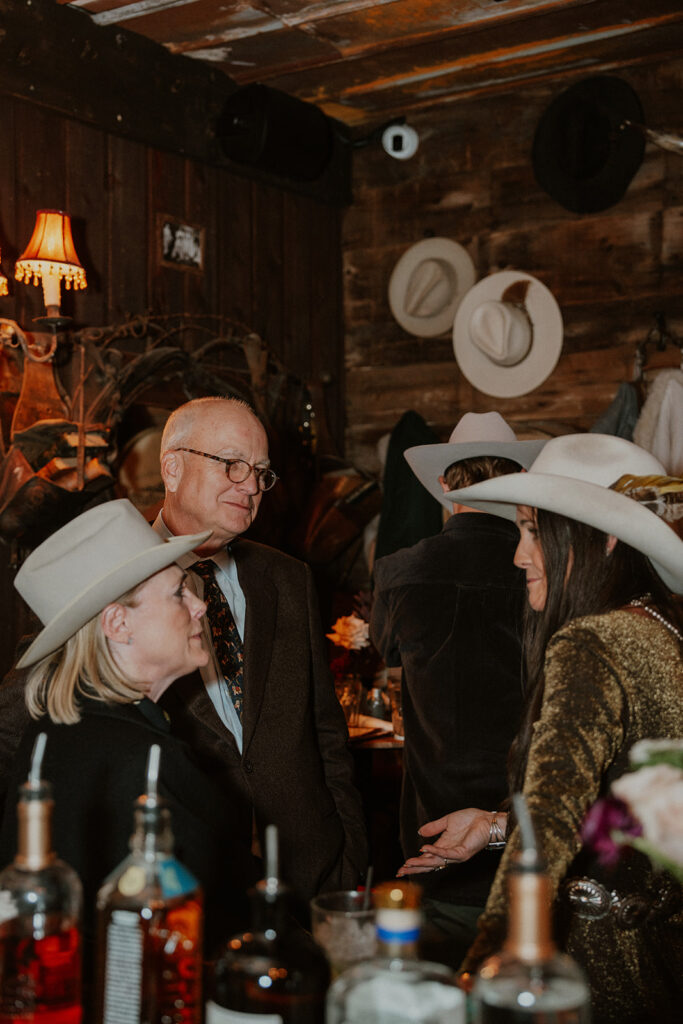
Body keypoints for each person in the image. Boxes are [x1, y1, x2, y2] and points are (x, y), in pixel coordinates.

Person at [398, 434, 683, 1023]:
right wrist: (496, 825)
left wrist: (484, 971)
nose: (518, 555)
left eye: (533, 531)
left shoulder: (594, 640)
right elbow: (618, 808)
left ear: (601, 537)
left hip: (600, 975)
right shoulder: (661, 632)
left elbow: (550, 829)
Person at [0, 499, 259, 988]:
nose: (200, 603)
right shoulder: (146, 758)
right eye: (179, 592)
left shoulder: (51, 734)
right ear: (118, 623)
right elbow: (213, 931)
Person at [154, 396, 367, 909]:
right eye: (231, 464)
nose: (250, 486)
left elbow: (326, 732)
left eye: (260, 473)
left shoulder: (288, 578)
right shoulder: (117, 584)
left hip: (312, 877)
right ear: (173, 467)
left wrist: (350, 857)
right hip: (191, 886)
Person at [370, 412, 544, 961]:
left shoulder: (399, 569)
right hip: (529, 819)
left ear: (445, 487)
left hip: (430, 821)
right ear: (517, 482)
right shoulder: (542, 569)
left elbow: (384, 652)